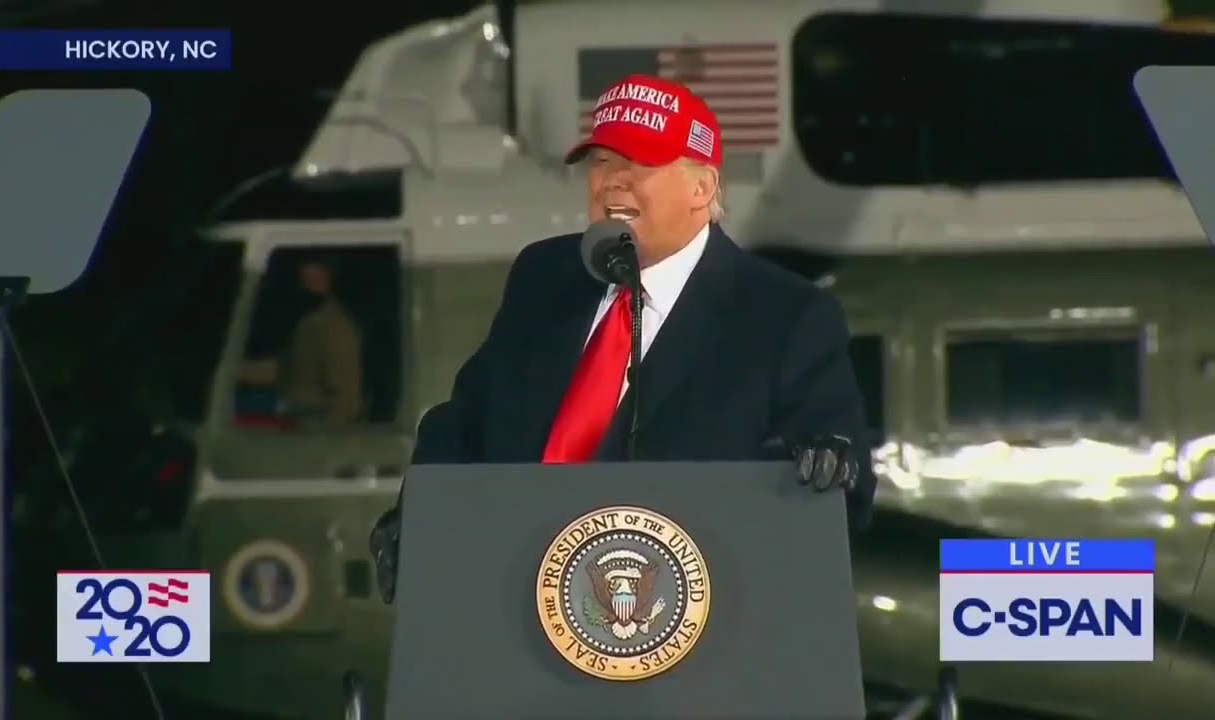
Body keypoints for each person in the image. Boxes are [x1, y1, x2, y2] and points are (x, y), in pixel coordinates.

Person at [371, 74, 877, 602]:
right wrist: (419, 515)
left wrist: (833, 463)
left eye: (640, 163)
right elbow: (465, 420)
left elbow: (840, 467)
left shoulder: (783, 314)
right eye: (603, 162)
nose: (613, 182)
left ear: (701, 188)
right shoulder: (545, 276)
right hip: (519, 608)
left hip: (694, 631)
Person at [238, 255, 364, 427]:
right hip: (293, 424)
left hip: (312, 433)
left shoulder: (336, 328)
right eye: (304, 278)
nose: (308, 284)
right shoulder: (305, 323)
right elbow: (285, 367)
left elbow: (347, 400)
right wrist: (234, 372)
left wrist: (321, 440)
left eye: (316, 278)